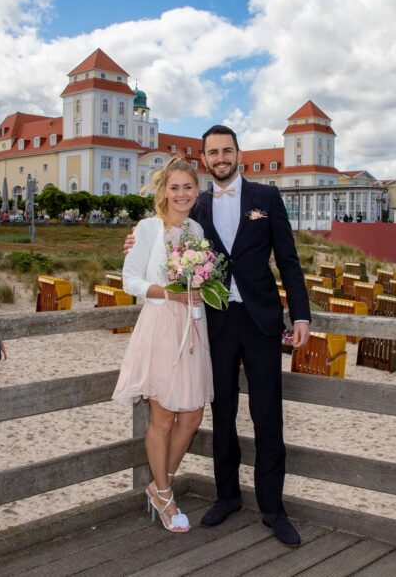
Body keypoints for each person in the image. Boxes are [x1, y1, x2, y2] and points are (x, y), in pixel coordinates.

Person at [123, 126, 312, 545]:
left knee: (268, 415)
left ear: (238, 154)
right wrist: (136, 241)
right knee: (221, 412)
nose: (221, 157)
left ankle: (273, 509)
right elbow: (161, 238)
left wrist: (301, 316)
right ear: (205, 159)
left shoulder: (267, 197)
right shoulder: (196, 205)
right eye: (213, 152)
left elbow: (289, 260)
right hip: (214, 322)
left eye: (227, 150)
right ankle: (227, 497)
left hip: (263, 322)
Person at [113, 155, 214, 533]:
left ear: (196, 191)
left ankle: (159, 485)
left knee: (192, 415)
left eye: (188, 187)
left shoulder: (196, 231)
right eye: (175, 187)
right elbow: (130, 281)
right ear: (164, 190)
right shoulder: (148, 229)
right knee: (164, 415)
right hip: (159, 324)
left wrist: (202, 291)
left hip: (191, 327)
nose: (181, 193)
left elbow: (201, 278)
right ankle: (167, 496)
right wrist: (169, 293)